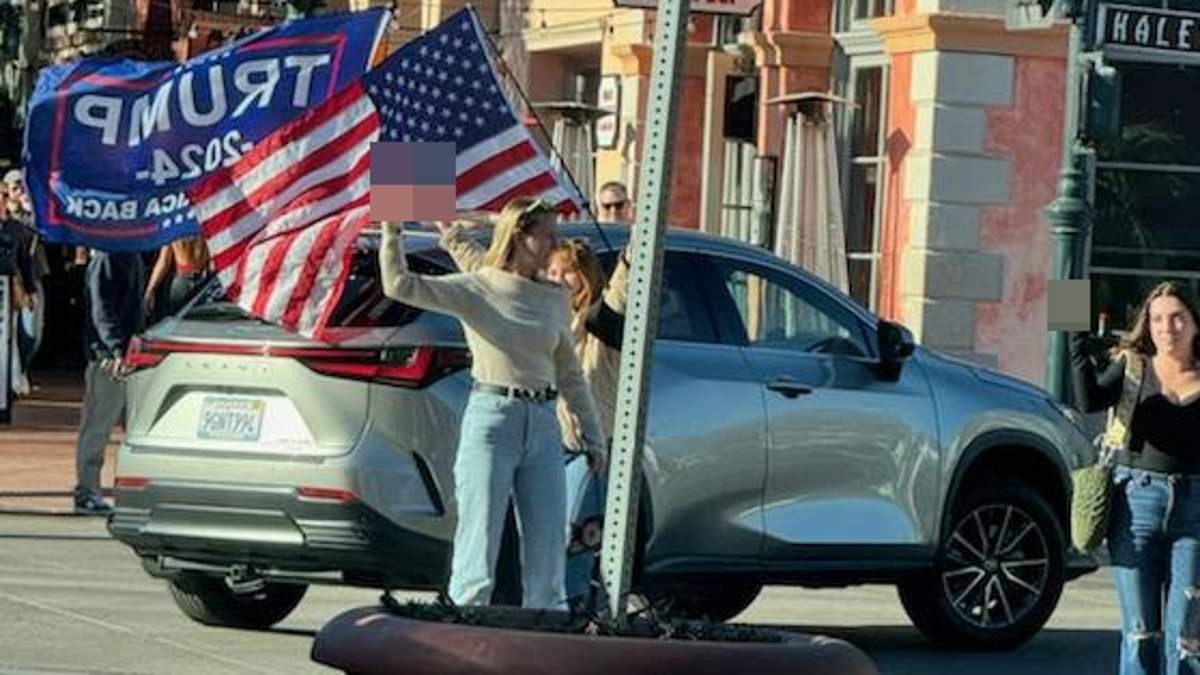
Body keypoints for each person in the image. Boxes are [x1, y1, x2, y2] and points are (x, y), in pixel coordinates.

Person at [378, 198, 606, 609]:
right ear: (520, 234)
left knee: (548, 549)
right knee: (477, 546)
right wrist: (391, 229)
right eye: (547, 234)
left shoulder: (553, 298)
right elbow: (400, 285)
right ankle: (464, 634)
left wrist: (593, 437)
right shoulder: (479, 287)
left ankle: (546, 635)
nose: (556, 243)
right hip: (492, 419)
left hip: (542, 423)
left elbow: (570, 374)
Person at [437, 221, 630, 611]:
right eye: (552, 270)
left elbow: (622, 299)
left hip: (582, 448)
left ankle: (572, 613)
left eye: (568, 272)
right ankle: (511, 614)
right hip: (540, 439)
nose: (558, 278)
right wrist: (453, 236)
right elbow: (487, 277)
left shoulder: (598, 320)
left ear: (586, 278)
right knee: (504, 538)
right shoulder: (536, 309)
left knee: (569, 538)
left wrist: (632, 254)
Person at [1071, 281, 1200, 675]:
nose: (1168, 327)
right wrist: (1073, 325)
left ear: (1195, 324)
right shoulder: (1132, 368)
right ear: (1147, 325)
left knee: (1187, 640)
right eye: (1158, 319)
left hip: (1195, 510)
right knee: (1140, 633)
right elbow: (1087, 399)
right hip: (1136, 503)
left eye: (1178, 317)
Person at [75, 249, 145, 514]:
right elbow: (100, 310)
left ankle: (124, 490)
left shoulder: (130, 256)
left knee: (133, 427)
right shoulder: (106, 259)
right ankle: (87, 489)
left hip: (129, 355)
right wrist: (115, 349)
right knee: (97, 425)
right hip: (109, 357)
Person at [144, 236, 211, 320]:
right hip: (203, 281)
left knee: (177, 323)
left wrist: (150, 290)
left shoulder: (175, 227)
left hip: (182, 281)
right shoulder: (209, 225)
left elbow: (164, 261)